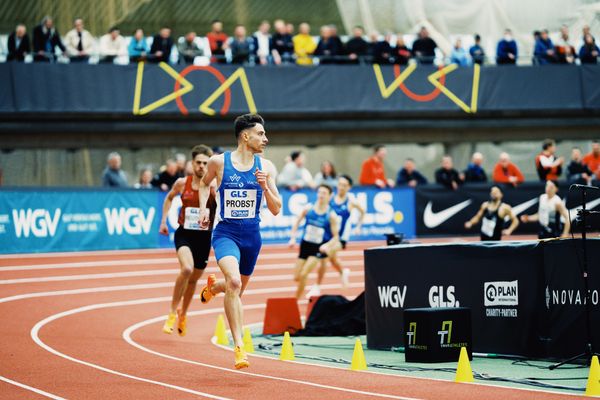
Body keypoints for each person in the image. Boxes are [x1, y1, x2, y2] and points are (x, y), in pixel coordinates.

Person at [197, 113, 281, 369]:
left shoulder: (266, 167)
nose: (265, 139)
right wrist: (203, 208)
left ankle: (213, 288)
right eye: (261, 134)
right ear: (246, 136)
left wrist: (265, 188)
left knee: (237, 289)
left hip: (252, 237)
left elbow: (276, 209)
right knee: (234, 283)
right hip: (226, 234)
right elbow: (203, 184)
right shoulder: (218, 162)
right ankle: (239, 346)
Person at [160, 145, 216, 336]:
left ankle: (183, 313)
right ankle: (171, 313)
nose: (201, 166)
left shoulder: (214, 186)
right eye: (198, 162)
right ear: (192, 164)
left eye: (205, 163)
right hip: (184, 233)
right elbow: (168, 198)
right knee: (186, 269)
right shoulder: (182, 183)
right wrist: (163, 221)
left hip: (204, 237)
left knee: (193, 280)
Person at [308, 175, 365, 298]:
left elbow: (363, 211)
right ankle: (342, 271)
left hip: (340, 238)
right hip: (328, 236)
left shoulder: (351, 202)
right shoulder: (331, 198)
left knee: (324, 256)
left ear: (349, 187)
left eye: (344, 185)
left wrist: (359, 226)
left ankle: (317, 286)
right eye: (339, 184)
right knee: (333, 259)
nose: (341, 187)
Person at [288, 184, 340, 299]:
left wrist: (327, 245)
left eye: (324, 193)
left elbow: (336, 237)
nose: (321, 195)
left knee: (304, 274)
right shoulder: (309, 208)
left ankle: (295, 301)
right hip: (305, 245)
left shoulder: (331, 215)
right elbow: (297, 222)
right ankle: (304, 287)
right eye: (320, 192)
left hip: (318, 248)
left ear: (330, 196)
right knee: (297, 277)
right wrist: (292, 237)